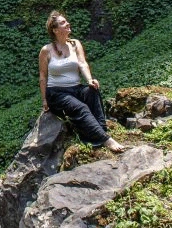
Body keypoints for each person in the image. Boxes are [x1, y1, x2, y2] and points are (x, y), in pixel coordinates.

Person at [38, 10, 125, 152]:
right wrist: (44, 100)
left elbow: (82, 63)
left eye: (66, 21)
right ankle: (105, 140)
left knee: (92, 91)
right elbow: (43, 76)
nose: (67, 24)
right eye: (63, 23)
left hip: (76, 88)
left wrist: (90, 80)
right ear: (55, 30)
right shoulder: (46, 50)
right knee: (81, 108)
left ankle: (100, 130)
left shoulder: (75, 44)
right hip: (57, 93)